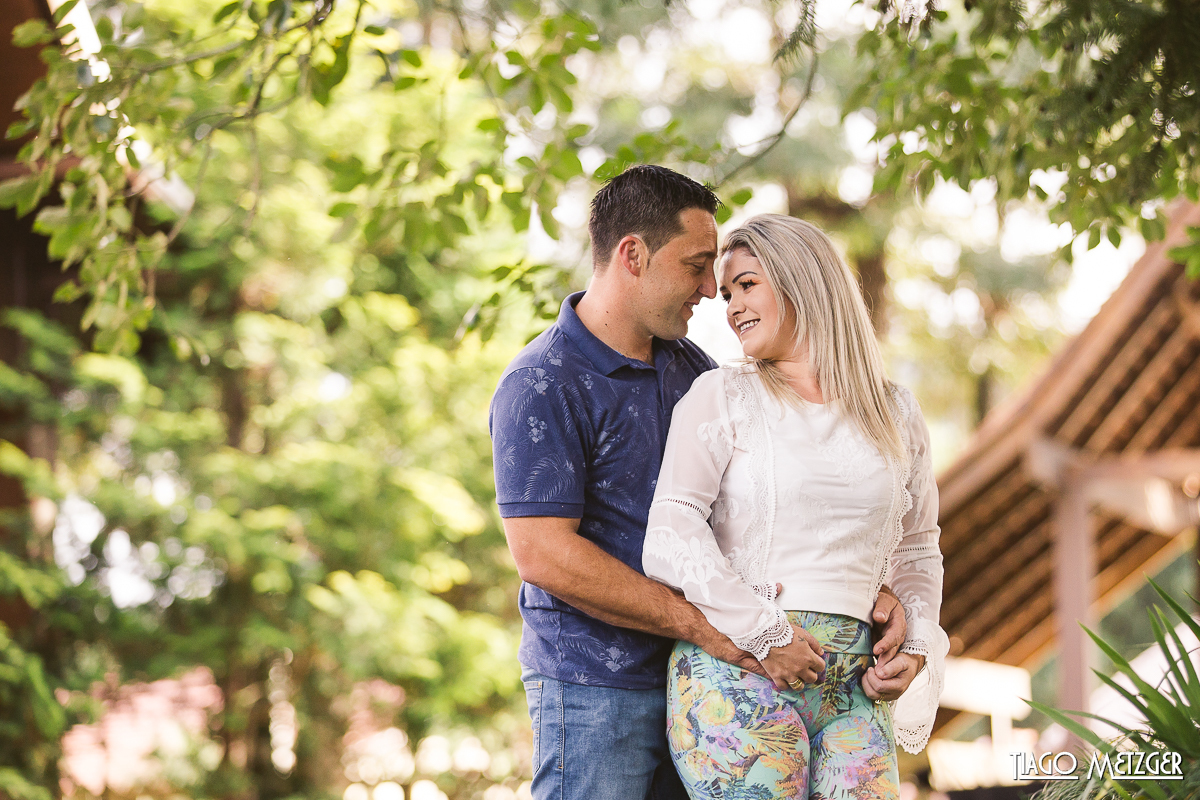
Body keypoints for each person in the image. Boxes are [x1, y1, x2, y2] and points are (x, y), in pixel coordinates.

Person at [489, 167, 909, 800]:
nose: (712, 291)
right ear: (633, 255)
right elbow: (544, 555)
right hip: (598, 687)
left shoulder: (694, 370)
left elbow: (762, 505)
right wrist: (720, 631)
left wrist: (869, 585)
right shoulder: (543, 382)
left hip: (715, 678)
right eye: (696, 266)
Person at [643, 214, 949, 799]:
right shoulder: (722, 395)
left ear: (802, 280)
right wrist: (764, 633)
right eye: (727, 292)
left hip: (854, 690)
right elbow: (672, 527)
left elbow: (917, 547)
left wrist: (913, 647)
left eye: (747, 284)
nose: (730, 306)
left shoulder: (896, 412)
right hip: (741, 673)